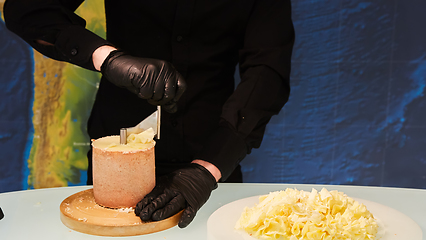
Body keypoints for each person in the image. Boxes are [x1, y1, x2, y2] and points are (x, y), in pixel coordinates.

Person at [3, 0, 294, 228]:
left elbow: (267, 71)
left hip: (214, 158)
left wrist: (206, 171)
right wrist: (108, 58)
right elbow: (26, 9)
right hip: (115, 159)